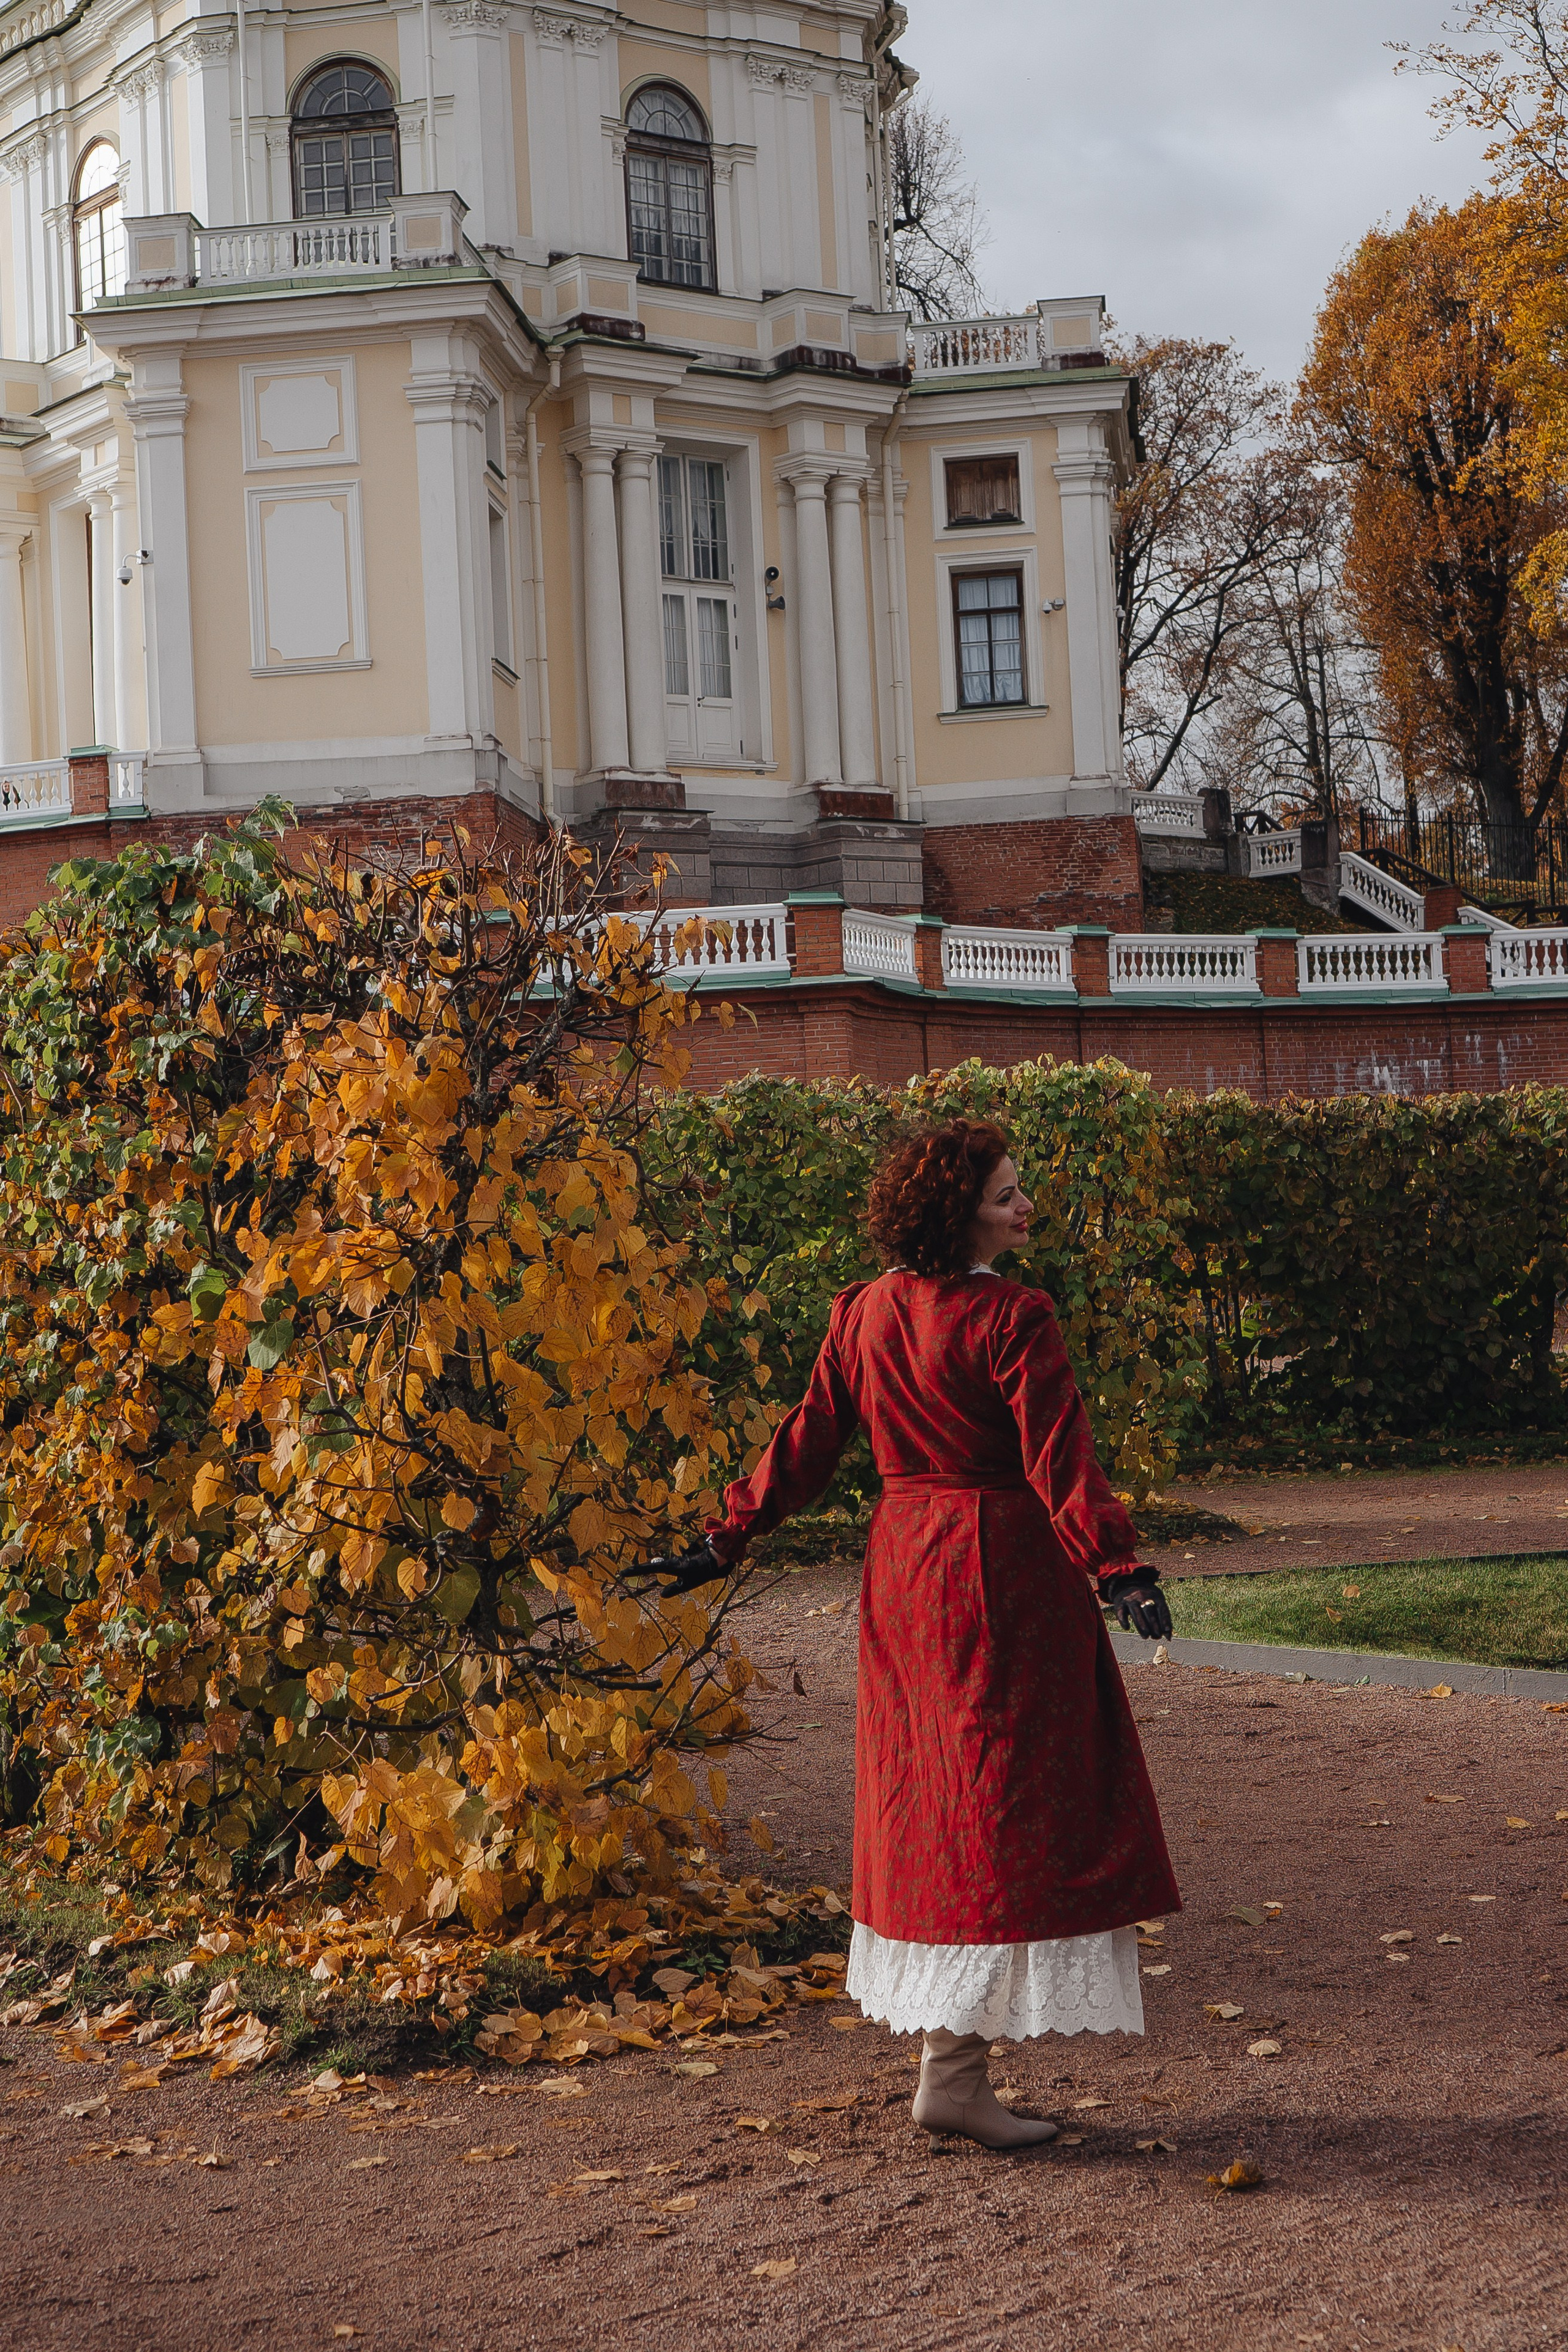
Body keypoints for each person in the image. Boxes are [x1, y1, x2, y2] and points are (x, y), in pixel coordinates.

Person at [652, 1117, 1180, 2152]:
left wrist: (729, 1533)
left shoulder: (864, 1313)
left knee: (939, 1798)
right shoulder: (1015, 1319)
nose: (1026, 1207)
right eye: (1005, 1197)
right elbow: (1058, 1461)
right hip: (1001, 1578)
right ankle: (953, 2077)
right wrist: (1116, 1567)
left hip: (905, 1571)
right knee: (1000, 1805)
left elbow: (803, 1443)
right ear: (959, 1214)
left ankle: (955, 2069)